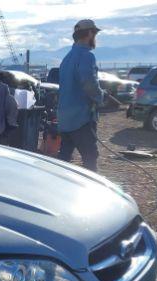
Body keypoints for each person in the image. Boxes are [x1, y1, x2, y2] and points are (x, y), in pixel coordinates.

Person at [57, 19, 105, 172]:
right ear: (90, 33)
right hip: (80, 118)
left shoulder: (67, 58)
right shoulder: (86, 56)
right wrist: (101, 97)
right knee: (90, 157)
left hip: (65, 118)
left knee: (64, 158)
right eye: (95, 34)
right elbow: (89, 84)